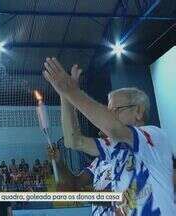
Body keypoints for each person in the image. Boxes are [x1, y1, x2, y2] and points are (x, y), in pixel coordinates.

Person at [43, 57, 175, 215]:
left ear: (138, 112)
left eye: (115, 110)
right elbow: (74, 141)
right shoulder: (112, 148)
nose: (109, 115)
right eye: (108, 110)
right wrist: (64, 94)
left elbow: (114, 128)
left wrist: (72, 91)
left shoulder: (154, 136)